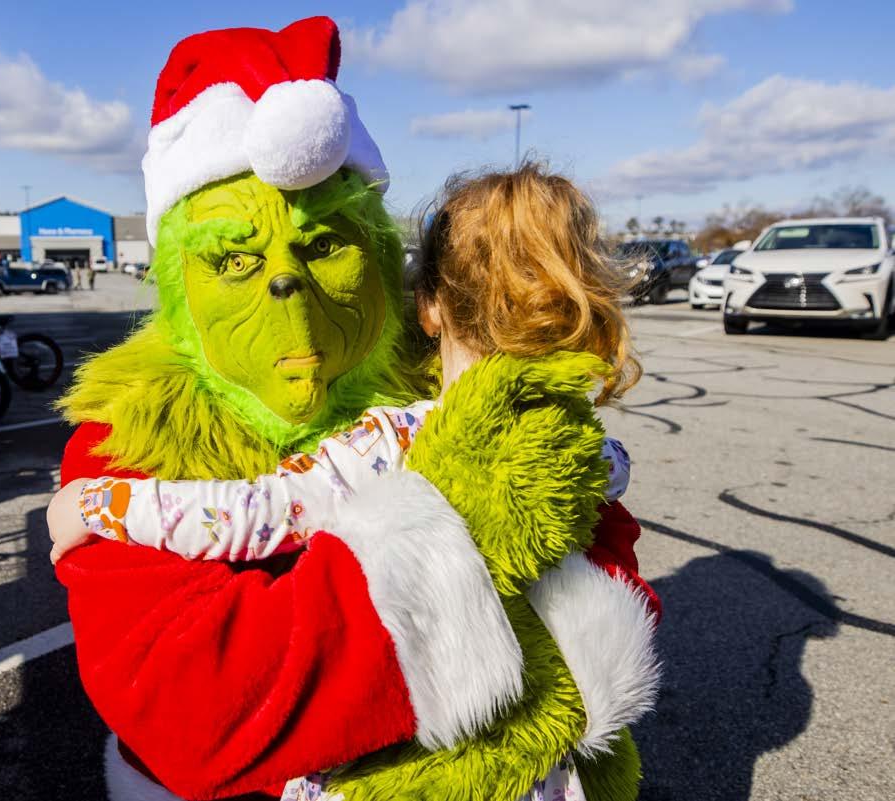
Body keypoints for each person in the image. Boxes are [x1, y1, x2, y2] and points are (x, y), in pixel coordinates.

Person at [55, 18, 656, 801]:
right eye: (235, 258)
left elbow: (615, 576)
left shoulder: (429, 400)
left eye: (326, 245)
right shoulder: (133, 433)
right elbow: (199, 713)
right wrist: (468, 549)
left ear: (391, 271)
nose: (286, 285)